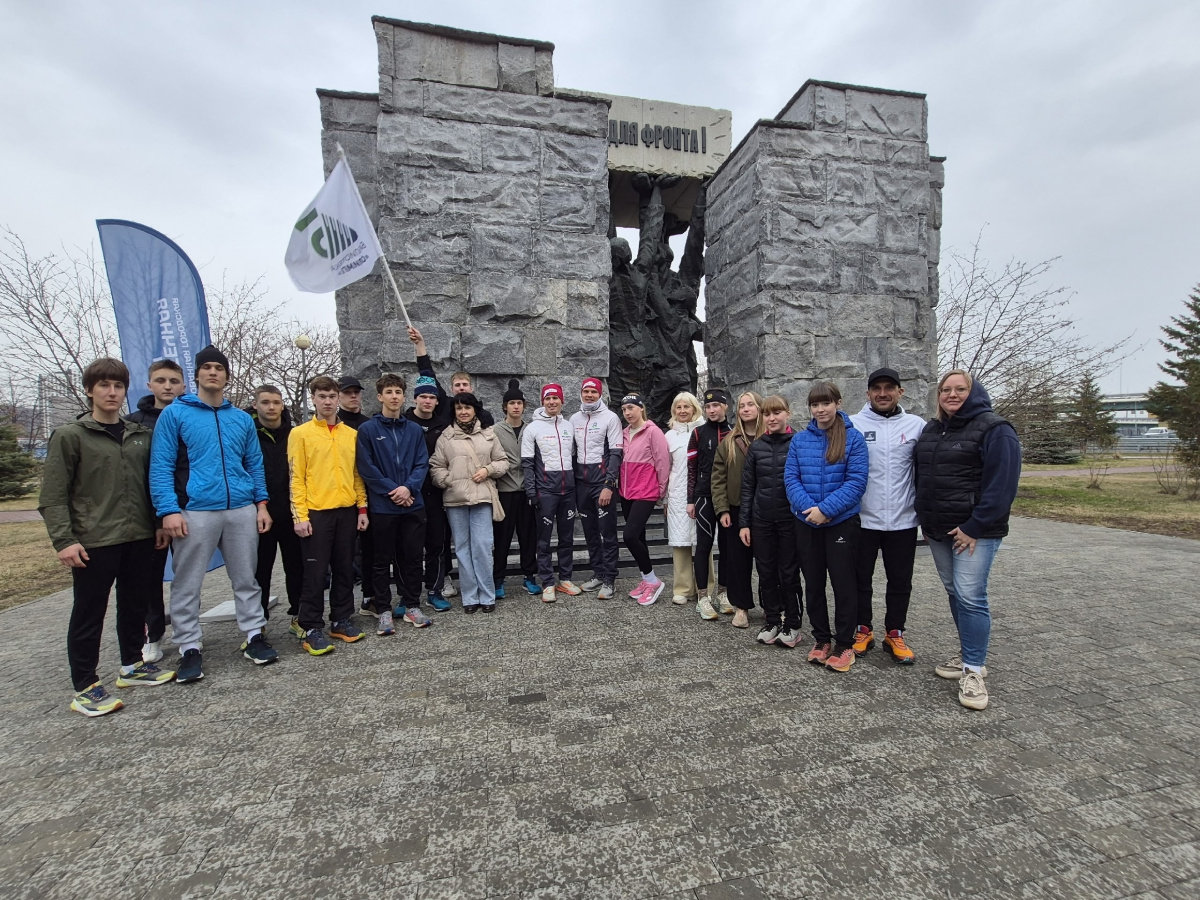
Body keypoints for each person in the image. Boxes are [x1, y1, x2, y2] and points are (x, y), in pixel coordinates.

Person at [41, 358, 175, 717]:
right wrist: (64, 541)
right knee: (89, 611)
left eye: (117, 386)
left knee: (134, 603)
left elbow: (152, 484)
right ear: (90, 390)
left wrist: (159, 522)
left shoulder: (139, 435)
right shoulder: (71, 436)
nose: (112, 392)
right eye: (104, 386)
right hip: (94, 539)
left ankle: (132, 665)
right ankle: (85, 685)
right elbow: (53, 495)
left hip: (139, 535)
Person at [150, 345, 278, 683]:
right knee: (187, 583)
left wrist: (261, 504)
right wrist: (168, 510)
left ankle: (253, 636)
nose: (212, 373)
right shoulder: (175, 415)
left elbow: (254, 464)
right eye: (206, 367)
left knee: (246, 578)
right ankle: (189, 647)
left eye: (219, 368)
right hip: (195, 511)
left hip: (240, 508)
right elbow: (160, 466)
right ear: (196, 375)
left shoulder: (240, 419)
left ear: (226, 375)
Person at [914, 370, 1021, 711]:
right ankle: (967, 654)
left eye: (960, 389)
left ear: (975, 392)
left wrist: (974, 526)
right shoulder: (933, 430)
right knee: (955, 592)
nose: (952, 394)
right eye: (946, 389)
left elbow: (1002, 486)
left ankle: (974, 671)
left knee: (972, 596)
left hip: (974, 532)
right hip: (939, 531)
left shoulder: (995, 429)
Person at [784, 381, 869, 673]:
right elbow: (791, 479)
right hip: (806, 522)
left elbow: (856, 482)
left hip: (841, 522)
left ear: (838, 403)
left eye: (826, 403)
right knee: (814, 583)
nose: (820, 409)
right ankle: (822, 639)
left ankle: (845, 644)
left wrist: (826, 510)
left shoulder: (853, 439)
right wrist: (811, 511)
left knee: (844, 584)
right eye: (815, 404)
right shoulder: (799, 440)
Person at [849, 368, 928, 664]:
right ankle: (862, 629)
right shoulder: (853, 425)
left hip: (903, 520)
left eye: (889, 388)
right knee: (860, 579)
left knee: (900, 581)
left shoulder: (916, 425)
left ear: (900, 392)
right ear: (868, 393)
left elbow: (925, 471)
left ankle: (894, 633)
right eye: (877, 389)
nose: (883, 394)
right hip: (863, 520)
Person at [288, 375, 369, 655]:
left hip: (346, 511)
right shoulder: (300, 434)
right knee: (315, 572)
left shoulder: (351, 434)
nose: (327, 401)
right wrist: (300, 516)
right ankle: (311, 626)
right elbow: (296, 478)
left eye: (331, 396)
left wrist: (362, 507)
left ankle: (341, 619)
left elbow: (357, 475)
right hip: (316, 512)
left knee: (345, 568)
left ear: (338, 399)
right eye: (321, 397)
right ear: (313, 399)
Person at [355, 373, 430, 633]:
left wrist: (408, 488)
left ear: (403, 396)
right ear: (380, 397)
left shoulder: (413, 429)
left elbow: (422, 463)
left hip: (412, 504)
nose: (394, 396)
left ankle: (411, 605)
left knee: (411, 558)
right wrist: (393, 490)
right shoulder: (368, 430)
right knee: (380, 560)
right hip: (383, 507)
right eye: (389, 392)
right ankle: (384, 610)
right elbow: (367, 468)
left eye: (398, 392)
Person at [124, 357, 186, 664]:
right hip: (151, 516)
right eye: (161, 381)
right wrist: (159, 516)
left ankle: (187, 629)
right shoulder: (135, 424)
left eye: (173, 381)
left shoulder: (190, 416)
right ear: (150, 385)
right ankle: (153, 634)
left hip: (187, 509)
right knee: (149, 578)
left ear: (183, 385)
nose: (168, 386)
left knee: (186, 574)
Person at [430, 393, 509, 613]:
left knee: (483, 547)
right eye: (459, 408)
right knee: (463, 549)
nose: (463, 412)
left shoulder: (488, 435)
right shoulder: (445, 437)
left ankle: (487, 594)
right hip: (455, 500)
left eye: (467, 407)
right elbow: (436, 466)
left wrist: (487, 470)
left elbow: (502, 462)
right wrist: (447, 480)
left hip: (482, 498)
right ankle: (470, 596)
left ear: (475, 410)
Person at [740, 395, 803, 648]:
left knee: (788, 572)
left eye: (777, 413)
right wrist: (744, 523)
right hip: (762, 519)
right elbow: (748, 487)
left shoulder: (798, 442)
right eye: (767, 414)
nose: (772, 418)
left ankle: (794, 623)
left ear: (787, 413)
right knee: (765, 572)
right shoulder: (757, 447)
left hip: (790, 519)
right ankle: (773, 619)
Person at [404, 326, 454, 611]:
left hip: (435, 494)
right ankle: (408, 596)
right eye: (423, 396)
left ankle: (435, 589)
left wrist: (421, 346)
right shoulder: (403, 422)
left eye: (432, 397)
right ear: (414, 399)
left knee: (437, 544)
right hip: (409, 494)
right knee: (410, 549)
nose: (427, 400)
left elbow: (429, 375)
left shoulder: (442, 418)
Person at [522, 383, 582, 603]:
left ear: (562, 401)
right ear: (542, 401)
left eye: (556, 399)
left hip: (568, 491)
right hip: (545, 491)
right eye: (548, 399)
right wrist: (532, 492)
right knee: (544, 540)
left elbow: (574, 458)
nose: (552, 402)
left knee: (567, 537)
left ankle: (565, 579)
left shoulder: (569, 426)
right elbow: (527, 464)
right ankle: (547, 582)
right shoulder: (533, 428)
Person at [248, 384, 303, 626]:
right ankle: (258, 623)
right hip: (258, 513)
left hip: (291, 512)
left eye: (276, 402)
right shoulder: (248, 434)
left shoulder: (295, 434)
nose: (271, 407)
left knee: (297, 568)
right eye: (265, 402)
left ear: (282, 405)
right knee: (260, 571)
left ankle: (299, 616)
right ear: (255, 405)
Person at [711, 391, 763, 628]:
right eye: (742, 405)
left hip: (766, 511)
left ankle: (774, 606)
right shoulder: (729, 442)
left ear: (760, 407)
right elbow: (718, 478)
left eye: (751, 404)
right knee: (738, 562)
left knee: (768, 562)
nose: (746, 409)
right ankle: (741, 607)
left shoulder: (773, 437)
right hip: (735, 509)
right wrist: (722, 510)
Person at [570, 376, 623, 600]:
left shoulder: (610, 418)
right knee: (590, 532)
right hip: (581, 483)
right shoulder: (573, 418)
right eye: (586, 392)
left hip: (602, 483)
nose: (589, 395)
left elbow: (616, 453)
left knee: (607, 533)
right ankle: (598, 573)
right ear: (581, 394)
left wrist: (609, 484)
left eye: (593, 392)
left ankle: (610, 578)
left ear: (600, 394)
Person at [618, 393, 671, 606]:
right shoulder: (623, 434)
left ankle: (653, 580)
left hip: (646, 491)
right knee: (639, 537)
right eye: (624, 410)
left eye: (631, 408)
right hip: (627, 492)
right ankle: (646, 580)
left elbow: (662, 462)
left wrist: (661, 491)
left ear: (641, 408)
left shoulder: (653, 432)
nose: (628, 413)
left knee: (629, 536)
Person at [687, 388, 732, 620]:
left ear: (725, 407)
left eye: (716, 406)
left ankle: (722, 593)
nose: (712, 410)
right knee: (704, 547)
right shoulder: (698, 433)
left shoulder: (735, 432)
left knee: (727, 547)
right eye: (708, 406)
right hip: (704, 496)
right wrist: (690, 499)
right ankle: (702, 597)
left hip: (730, 497)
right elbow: (692, 469)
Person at [493, 379, 540, 598]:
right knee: (502, 537)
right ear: (505, 406)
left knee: (528, 536)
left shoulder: (532, 429)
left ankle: (529, 576)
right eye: (511, 403)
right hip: (505, 491)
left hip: (527, 491)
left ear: (524, 406)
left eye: (519, 403)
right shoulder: (495, 431)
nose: (515, 406)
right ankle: (498, 579)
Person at [336, 375, 375, 616]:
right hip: (339, 497)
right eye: (347, 392)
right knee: (344, 555)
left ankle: (369, 597)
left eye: (356, 392)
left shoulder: (367, 424)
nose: (353, 396)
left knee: (369, 551)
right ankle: (342, 607)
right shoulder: (333, 424)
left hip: (366, 496)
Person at [664, 392, 703, 605]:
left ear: (694, 408)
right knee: (680, 542)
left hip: (700, 493)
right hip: (678, 494)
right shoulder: (668, 436)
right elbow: (665, 467)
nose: (682, 411)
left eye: (686, 407)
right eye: (678, 407)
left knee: (703, 542)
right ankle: (682, 588)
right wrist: (665, 499)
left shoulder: (704, 432)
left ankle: (705, 588)